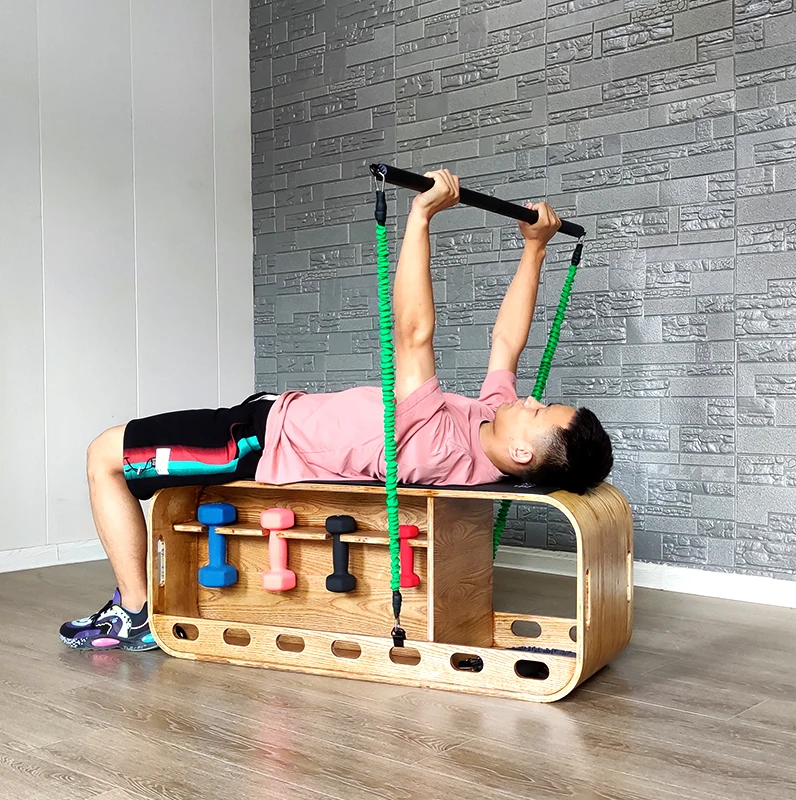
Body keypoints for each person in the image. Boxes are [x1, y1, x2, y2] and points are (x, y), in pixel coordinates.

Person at [60, 169, 613, 652]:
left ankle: (136, 612)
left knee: (105, 455)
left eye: (539, 411)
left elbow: (413, 334)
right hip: (265, 418)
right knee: (116, 456)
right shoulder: (490, 430)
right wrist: (535, 248)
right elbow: (507, 342)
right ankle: (137, 603)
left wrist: (420, 217)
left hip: (252, 442)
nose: (531, 399)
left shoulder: (440, 442)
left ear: (523, 453)